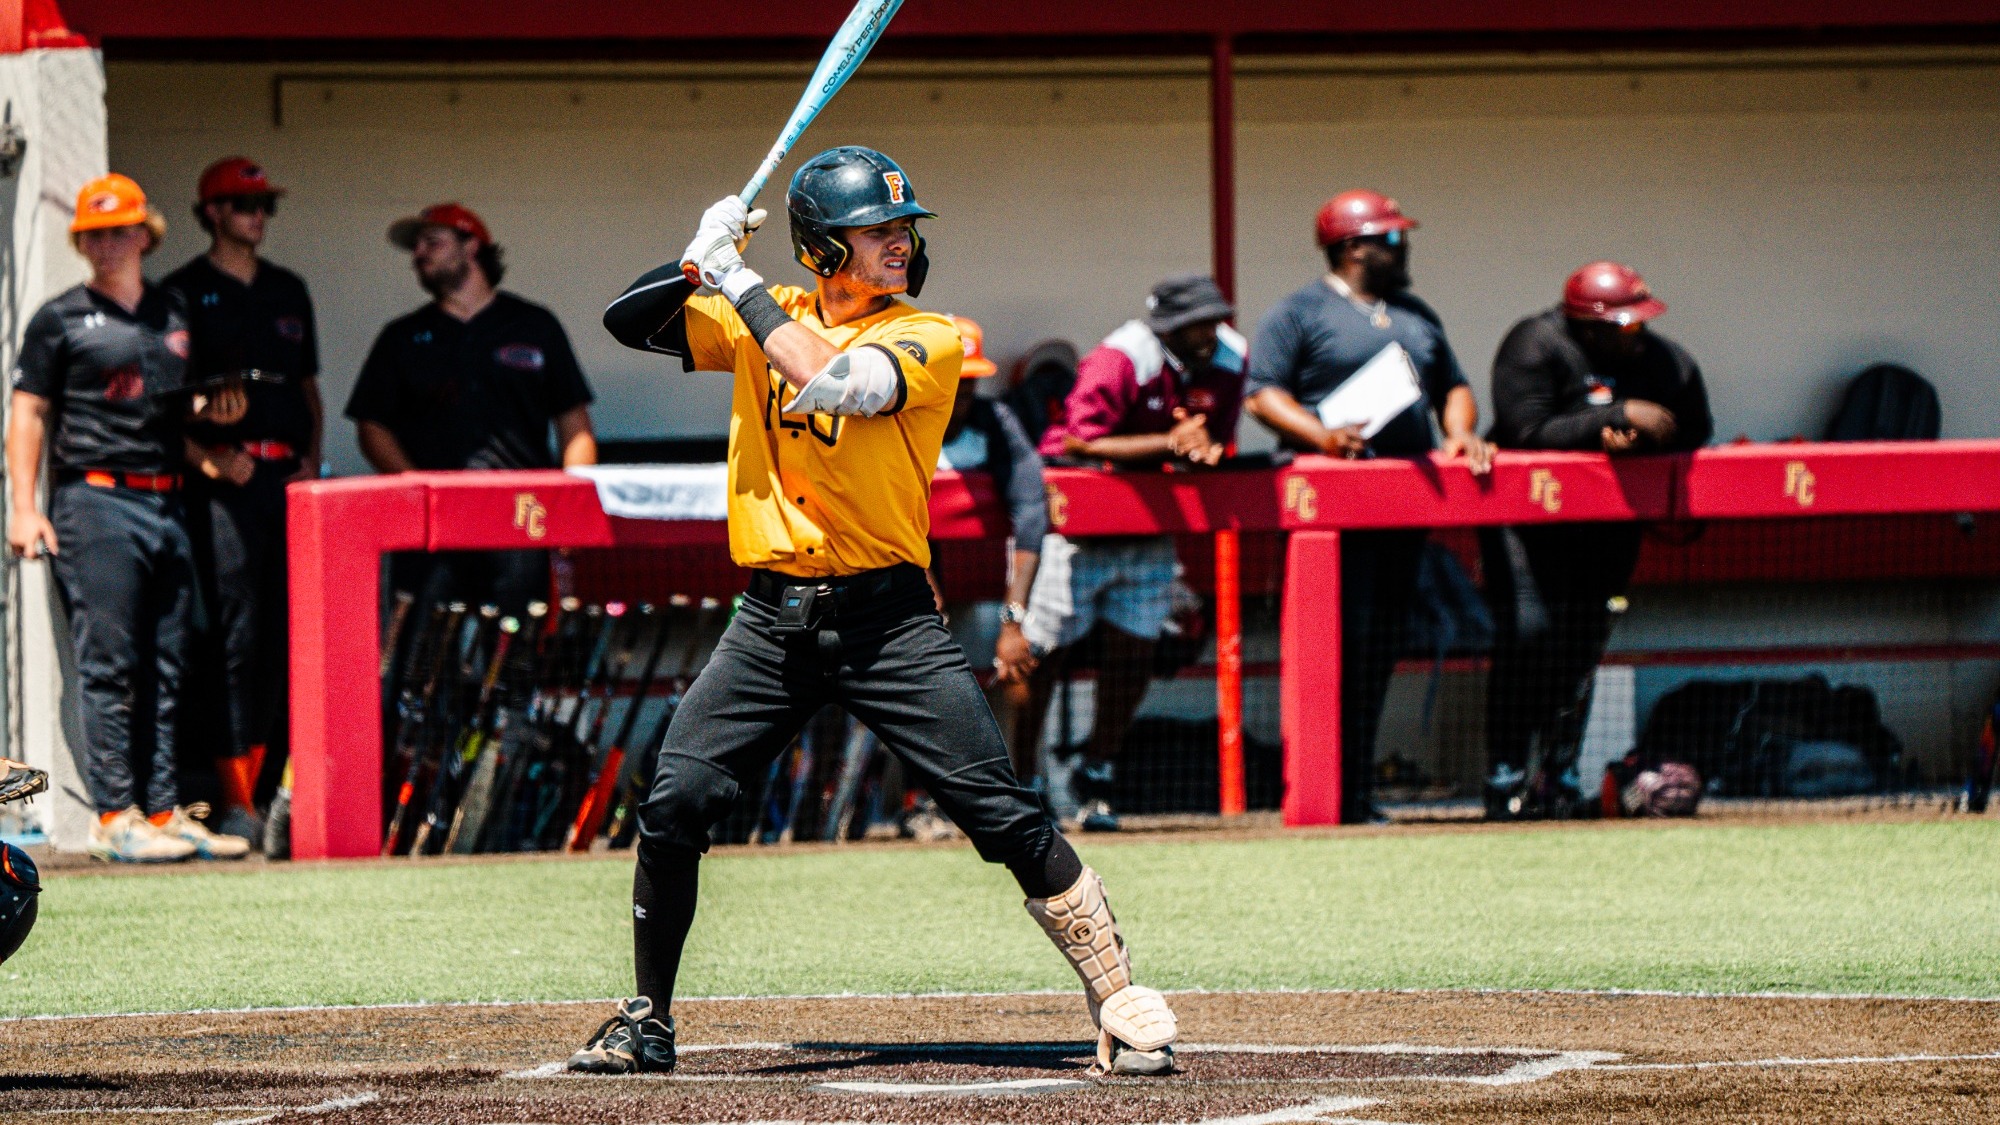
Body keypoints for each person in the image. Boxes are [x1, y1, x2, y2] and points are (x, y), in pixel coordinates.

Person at [583, 146, 1177, 1078]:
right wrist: (697, 253)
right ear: (822, 246)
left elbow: (837, 383)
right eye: (876, 230)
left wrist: (734, 279)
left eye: (904, 228)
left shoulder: (928, 334)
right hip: (771, 619)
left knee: (999, 811)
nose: (900, 242)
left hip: (887, 619)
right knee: (677, 797)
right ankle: (646, 1016)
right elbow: (630, 322)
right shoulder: (759, 309)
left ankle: (1120, 996)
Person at [5, 173, 252, 863]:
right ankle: (114, 815)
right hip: (96, 499)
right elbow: (28, 411)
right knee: (109, 664)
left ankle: (165, 810)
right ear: (82, 242)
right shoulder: (59, 318)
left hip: (167, 495)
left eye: (121, 230)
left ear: (146, 236)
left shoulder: (173, 313)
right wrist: (24, 507)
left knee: (170, 664)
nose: (109, 243)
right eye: (95, 233)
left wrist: (214, 431)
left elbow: (179, 412)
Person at [1244, 189, 1494, 825]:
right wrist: (1321, 436)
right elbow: (1261, 393)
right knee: (1337, 649)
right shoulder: (1300, 311)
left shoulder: (1414, 313)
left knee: (1382, 646)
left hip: (1405, 506)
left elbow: (1453, 385)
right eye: (1389, 238)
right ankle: (1327, 793)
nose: (1401, 247)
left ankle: (1358, 789)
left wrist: (1459, 431)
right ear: (1352, 246)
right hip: (1333, 511)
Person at [1481, 261, 1712, 817]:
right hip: (1526, 521)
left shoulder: (1666, 360)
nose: (1636, 336)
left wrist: (1638, 439)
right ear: (1588, 326)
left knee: (1581, 644)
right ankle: (1504, 775)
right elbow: (1525, 430)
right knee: (1530, 634)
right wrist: (1610, 418)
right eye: (1623, 327)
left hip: (1607, 522)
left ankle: (1555, 773)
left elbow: (1696, 426)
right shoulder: (1536, 344)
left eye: (1640, 323)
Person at [1014, 275, 1243, 832]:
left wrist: (1203, 449)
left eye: (1214, 319)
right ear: (1169, 326)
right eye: (1196, 323)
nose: (1209, 332)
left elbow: (1215, 438)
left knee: (1136, 653)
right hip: (1074, 527)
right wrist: (1171, 442)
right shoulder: (1122, 357)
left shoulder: (1230, 358)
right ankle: (1025, 780)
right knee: (1040, 656)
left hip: (1150, 526)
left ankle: (1097, 772)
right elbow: (1078, 440)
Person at [162, 157, 322, 844]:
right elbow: (162, 405)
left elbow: (307, 388)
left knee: (293, 637)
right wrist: (206, 453)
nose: (257, 215)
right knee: (235, 636)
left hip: (289, 483)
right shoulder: (180, 291)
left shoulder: (288, 288)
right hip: (221, 487)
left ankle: (281, 794)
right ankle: (235, 799)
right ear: (212, 213)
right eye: (243, 203)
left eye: (264, 204)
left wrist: (311, 463)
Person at [344, 202, 597, 617]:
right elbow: (372, 426)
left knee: (514, 655)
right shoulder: (402, 337)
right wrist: (417, 485)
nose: (418, 255)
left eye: (432, 242)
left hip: (521, 518)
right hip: (433, 524)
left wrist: (571, 507)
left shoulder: (534, 325)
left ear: (472, 245)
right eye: (415, 247)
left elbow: (575, 425)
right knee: (422, 654)